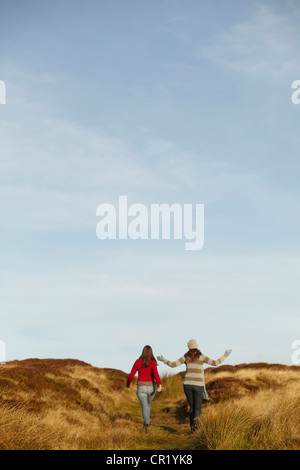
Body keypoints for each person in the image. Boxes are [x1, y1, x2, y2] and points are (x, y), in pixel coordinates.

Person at [157, 339, 232, 433]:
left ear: (188, 347)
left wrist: (163, 359)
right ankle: (196, 420)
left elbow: (173, 364)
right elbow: (215, 363)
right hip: (198, 385)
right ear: (196, 346)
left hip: (187, 385)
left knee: (191, 406)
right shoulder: (201, 356)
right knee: (197, 407)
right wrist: (225, 355)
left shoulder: (186, 356)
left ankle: (192, 428)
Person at [126, 345, 162, 433]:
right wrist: (159, 385)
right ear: (151, 352)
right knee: (147, 406)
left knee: (145, 407)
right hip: (151, 388)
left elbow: (131, 375)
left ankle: (147, 423)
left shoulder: (138, 362)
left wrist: (128, 384)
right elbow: (156, 374)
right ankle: (147, 423)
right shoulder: (152, 362)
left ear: (143, 351)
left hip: (141, 388)